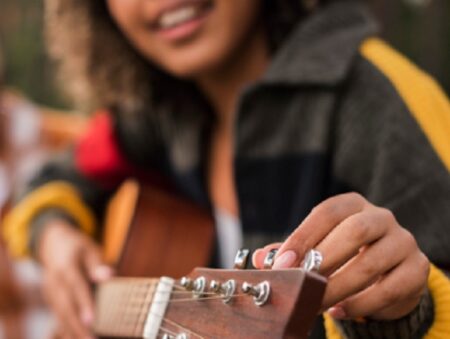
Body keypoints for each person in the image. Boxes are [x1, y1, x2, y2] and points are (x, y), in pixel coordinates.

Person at [3, 0, 450, 338]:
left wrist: (408, 310)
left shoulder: (382, 99)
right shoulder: (156, 110)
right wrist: (55, 237)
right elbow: (53, 181)